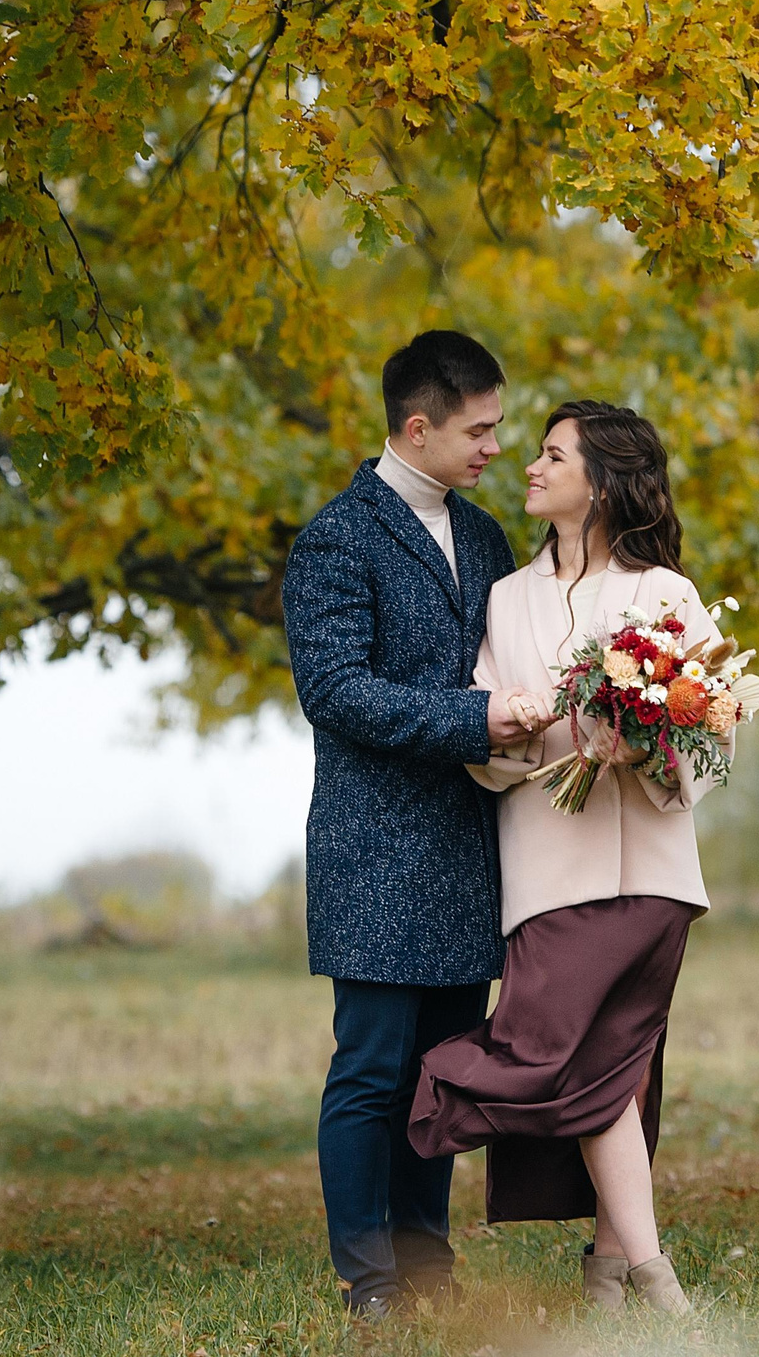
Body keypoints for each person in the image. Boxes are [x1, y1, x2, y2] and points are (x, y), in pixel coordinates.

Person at [408, 400, 723, 1317]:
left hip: (655, 875)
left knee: (622, 1067)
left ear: (604, 481)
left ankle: (613, 1274)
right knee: (576, 1061)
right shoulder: (507, 598)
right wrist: (516, 724)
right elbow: (482, 739)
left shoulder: (667, 593)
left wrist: (646, 744)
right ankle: (652, 1276)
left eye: (553, 455)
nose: (531, 466)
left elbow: (714, 731)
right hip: (548, 876)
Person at [279, 330, 547, 1318]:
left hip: (468, 848)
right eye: (479, 430)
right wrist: (475, 719)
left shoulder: (485, 537)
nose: (495, 447)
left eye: (499, 427)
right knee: (371, 1071)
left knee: (443, 1073)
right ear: (419, 425)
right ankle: (371, 1281)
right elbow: (336, 691)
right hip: (376, 851)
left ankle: (429, 1265)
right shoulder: (335, 540)